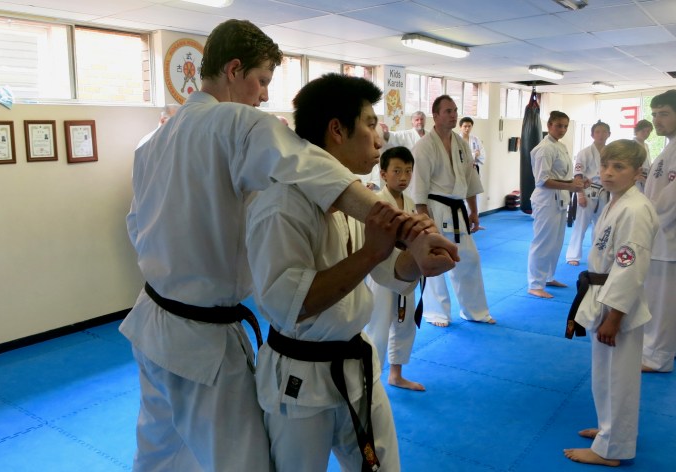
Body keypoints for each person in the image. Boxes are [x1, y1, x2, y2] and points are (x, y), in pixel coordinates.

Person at [120, 19, 457, 472]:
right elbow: (305, 163)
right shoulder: (235, 124)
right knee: (245, 466)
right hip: (202, 343)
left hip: (152, 320)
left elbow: (135, 226)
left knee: (160, 456)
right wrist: (406, 230)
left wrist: (400, 245)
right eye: (261, 81)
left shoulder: (151, 141)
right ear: (234, 70)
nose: (263, 96)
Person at [248, 73, 420, 471]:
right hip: (301, 378)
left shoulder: (355, 199)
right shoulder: (282, 206)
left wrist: (419, 256)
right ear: (337, 130)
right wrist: (371, 253)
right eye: (370, 124)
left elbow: (389, 270)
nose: (379, 140)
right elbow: (291, 304)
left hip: (357, 364)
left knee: (383, 467)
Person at [563, 139, 659, 467]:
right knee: (604, 374)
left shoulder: (635, 210)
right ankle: (609, 431)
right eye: (605, 165)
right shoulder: (616, 201)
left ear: (637, 172)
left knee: (618, 378)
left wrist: (615, 317)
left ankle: (613, 448)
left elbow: (631, 268)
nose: (607, 172)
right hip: (603, 294)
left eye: (618, 167)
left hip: (619, 302)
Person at [413, 95, 494, 327]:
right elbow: (419, 188)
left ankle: (475, 311)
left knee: (470, 259)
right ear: (435, 115)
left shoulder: (461, 144)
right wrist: (424, 221)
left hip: (457, 210)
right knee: (436, 262)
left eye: (455, 110)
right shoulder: (424, 146)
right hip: (434, 210)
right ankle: (436, 312)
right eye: (448, 111)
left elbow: (470, 180)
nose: (453, 115)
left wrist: (474, 211)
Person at [365, 146, 426, 391]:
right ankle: (371, 379)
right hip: (381, 272)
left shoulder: (409, 202)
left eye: (408, 171)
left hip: (406, 271)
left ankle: (396, 375)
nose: (403, 177)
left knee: (405, 322)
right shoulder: (377, 203)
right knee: (378, 326)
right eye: (397, 171)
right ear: (383, 174)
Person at [527, 111, 585, 299]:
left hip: (560, 199)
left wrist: (578, 183)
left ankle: (548, 277)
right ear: (549, 125)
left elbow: (563, 176)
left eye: (565, 126)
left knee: (556, 242)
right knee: (543, 242)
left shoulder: (561, 146)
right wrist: (571, 186)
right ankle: (535, 284)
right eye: (559, 125)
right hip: (546, 200)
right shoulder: (544, 149)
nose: (562, 129)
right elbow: (542, 180)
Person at [642, 90, 676, 373]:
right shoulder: (669, 147)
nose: (656, 120)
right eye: (654, 114)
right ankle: (666, 350)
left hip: (667, 238)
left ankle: (657, 358)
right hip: (663, 236)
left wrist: (645, 223)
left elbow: (670, 200)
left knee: (661, 302)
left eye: (664, 113)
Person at [566, 121, 611, 266]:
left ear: (609, 134)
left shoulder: (611, 153)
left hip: (605, 192)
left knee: (601, 225)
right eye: (598, 132)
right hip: (587, 191)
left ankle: (597, 255)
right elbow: (578, 175)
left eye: (604, 132)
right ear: (592, 135)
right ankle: (573, 255)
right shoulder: (584, 153)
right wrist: (580, 195)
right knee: (581, 224)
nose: (601, 135)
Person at [634, 119, 653, 191]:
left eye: (648, 132)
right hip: (635, 177)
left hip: (645, 177)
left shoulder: (646, 145)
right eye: (643, 131)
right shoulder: (631, 145)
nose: (646, 134)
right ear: (636, 132)